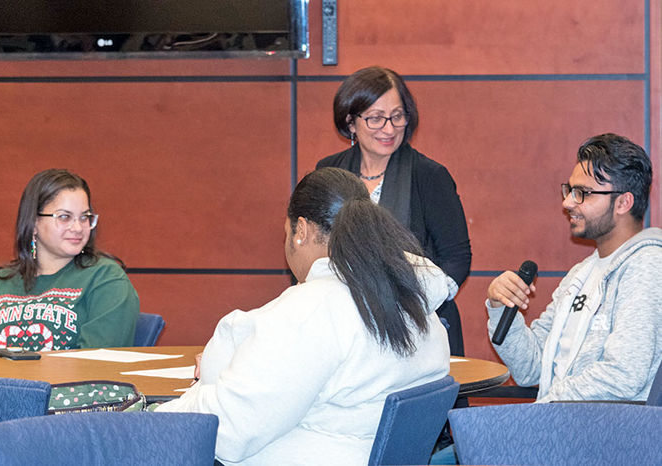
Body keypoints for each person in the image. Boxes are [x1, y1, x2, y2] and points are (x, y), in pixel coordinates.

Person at [157, 167, 456, 465]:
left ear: (302, 231)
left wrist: (149, 416)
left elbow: (230, 430)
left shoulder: (315, 310)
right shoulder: (415, 303)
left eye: (286, 233)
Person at [486, 133, 662, 402]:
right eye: (569, 190)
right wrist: (500, 307)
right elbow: (530, 368)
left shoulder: (647, 267)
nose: (567, 203)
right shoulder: (581, 274)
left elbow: (623, 375)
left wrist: (545, 407)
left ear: (624, 203)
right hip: (560, 425)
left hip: (602, 437)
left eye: (583, 194)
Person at [316, 66, 471, 356]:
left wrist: (421, 302)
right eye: (376, 119)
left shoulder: (429, 175)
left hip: (418, 329)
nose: (389, 129)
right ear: (351, 122)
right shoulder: (328, 172)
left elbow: (457, 258)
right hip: (343, 329)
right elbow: (312, 247)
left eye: (397, 117)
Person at [0, 169, 140, 357]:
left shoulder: (106, 279)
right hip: (0, 386)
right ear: (33, 222)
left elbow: (96, 364)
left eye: (84, 217)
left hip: (70, 387)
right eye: (64, 217)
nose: (78, 227)